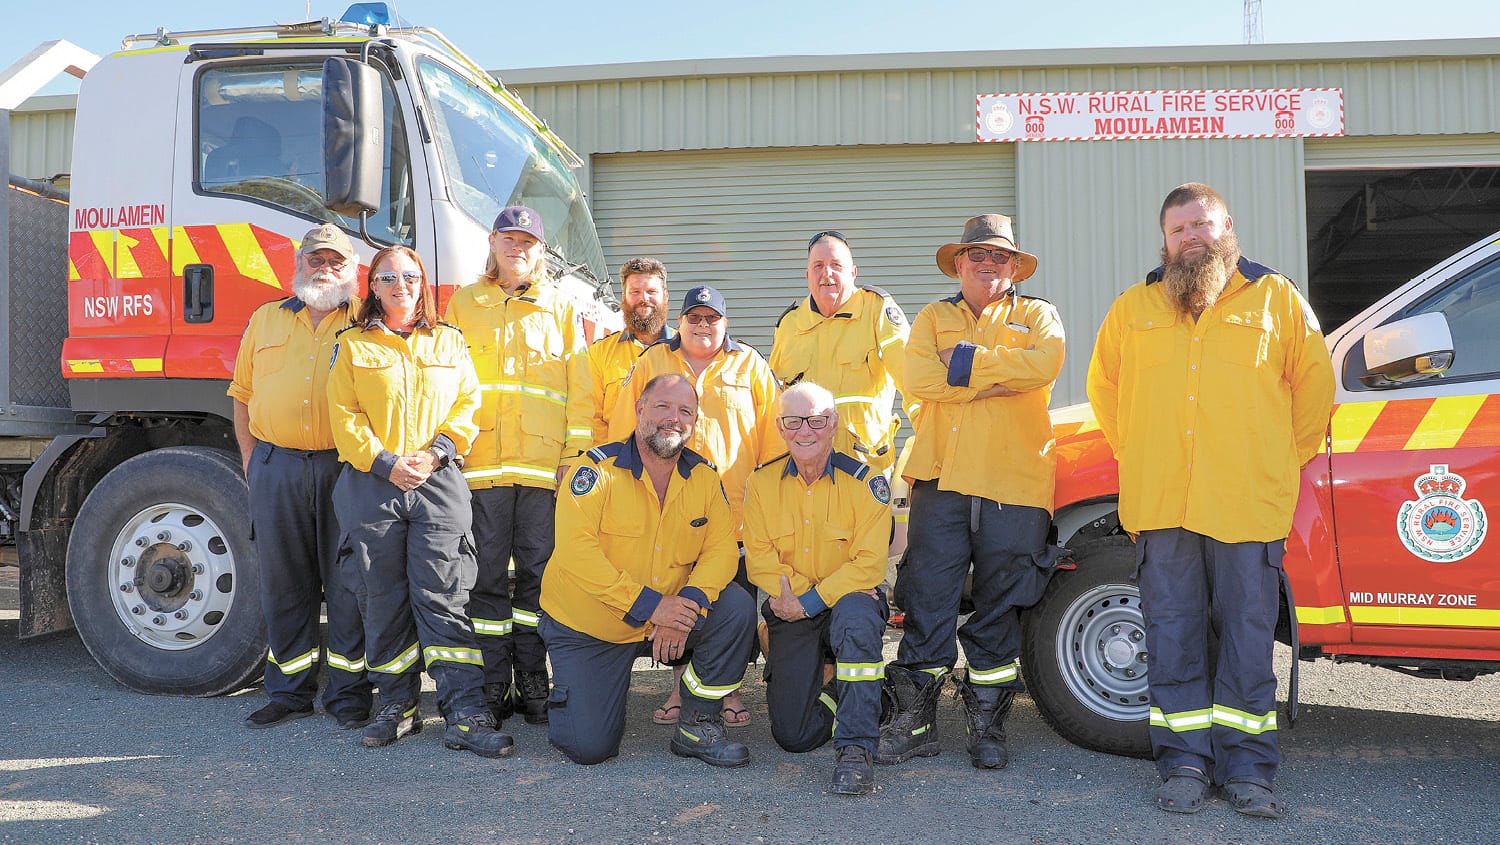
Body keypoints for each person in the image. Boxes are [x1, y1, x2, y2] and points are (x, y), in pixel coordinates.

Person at [1086, 183, 1335, 819]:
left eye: (1201, 224)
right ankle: (1185, 764)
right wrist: (1141, 453)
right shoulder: (1132, 308)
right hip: (1163, 507)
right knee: (1173, 638)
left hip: (1246, 504)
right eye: (1178, 230)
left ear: (1227, 227)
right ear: (1164, 241)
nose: (1190, 237)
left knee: (1248, 639)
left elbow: (1314, 389)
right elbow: (1105, 392)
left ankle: (1248, 769)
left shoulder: (1277, 299)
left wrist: (1281, 460)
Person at [880, 214, 1067, 770]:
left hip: (1016, 481)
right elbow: (917, 381)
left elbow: (1047, 364)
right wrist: (1002, 380)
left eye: (999, 258)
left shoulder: (1039, 314)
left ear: (1014, 267)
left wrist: (960, 364)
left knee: (1001, 605)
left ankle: (989, 723)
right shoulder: (934, 316)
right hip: (941, 478)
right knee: (928, 600)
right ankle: (914, 721)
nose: (988, 265)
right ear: (959, 263)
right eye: (976, 256)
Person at [327, 245, 512, 758]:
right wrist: (386, 462)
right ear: (374, 287)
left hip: (438, 478)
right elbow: (343, 416)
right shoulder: (353, 344)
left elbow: (467, 403)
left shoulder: (449, 340)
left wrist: (435, 454)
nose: (400, 284)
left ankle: (466, 712)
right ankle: (397, 706)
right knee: (380, 597)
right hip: (372, 482)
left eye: (410, 276)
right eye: (388, 277)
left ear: (423, 283)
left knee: (446, 594)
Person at [540, 373, 755, 767]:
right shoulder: (595, 471)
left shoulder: (705, 477)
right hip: (593, 624)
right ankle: (574, 696)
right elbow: (576, 553)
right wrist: (652, 606)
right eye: (662, 407)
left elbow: (721, 550)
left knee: (736, 607)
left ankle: (697, 721)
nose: (673, 418)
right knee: (589, 749)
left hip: (669, 612)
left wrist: (687, 605)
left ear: (695, 421)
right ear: (640, 409)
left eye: (685, 411)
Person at [608, 285, 781, 727]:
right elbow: (623, 429)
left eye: (712, 318)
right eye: (694, 317)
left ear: (725, 324)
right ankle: (679, 689)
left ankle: (728, 691)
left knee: (731, 606)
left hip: (734, 516)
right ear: (679, 321)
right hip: (666, 510)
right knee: (678, 599)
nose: (703, 325)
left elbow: (774, 444)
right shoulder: (651, 361)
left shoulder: (751, 365)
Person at [444, 206, 588, 725]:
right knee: (482, 579)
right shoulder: (464, 304)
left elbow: (581, 392)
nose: (518, 248)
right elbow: (446, 381)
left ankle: (532, 677)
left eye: (528, 241)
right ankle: (491, 683)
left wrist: (573, 462)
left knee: (537, 580)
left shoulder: (561, 309)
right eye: (510, 239)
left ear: (541, 251)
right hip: (479, 468)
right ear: (493, 243)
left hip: (542, 473)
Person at [229, 223, 372, 730]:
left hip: (346, 468)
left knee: (349, 583)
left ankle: (350, 692)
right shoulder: (266, 319)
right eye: (316, 259)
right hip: (277, 467)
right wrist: (253, 464)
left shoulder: (367, 319)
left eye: (336, 261)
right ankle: (288, 691)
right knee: (284, 583)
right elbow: (241, 397)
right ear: (299, 264)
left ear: (353, 270)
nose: (325, 268)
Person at [744, 381, 891, 795]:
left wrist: (810, 599)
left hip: (845, 603)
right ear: (780, 426)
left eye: (817, 420)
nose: (804, 430)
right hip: (792, 607)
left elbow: (869, 564)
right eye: (793, 421)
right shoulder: (761, 484)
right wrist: (800, 603)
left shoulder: (866, 483)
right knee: (795, 736)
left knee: (857, 620)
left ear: (834, 424)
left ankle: (856, 750)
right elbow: (758, 560)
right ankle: (851, 694)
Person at [769, 231, 910, 474]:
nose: (827, 274)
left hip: (865, 463)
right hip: (804, 467)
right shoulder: (789, 325)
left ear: (853, 272)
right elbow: (774, 401)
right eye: (818, 266)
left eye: (836, 265)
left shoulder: (877, 311)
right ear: (807, 275)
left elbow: (913, 380)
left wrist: (928, 442)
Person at [565, 257, 673, 449]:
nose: (644, 299)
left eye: (651, 292)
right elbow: (592, 417)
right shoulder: (600, 353)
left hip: (675, 469)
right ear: (623, 298)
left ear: (666, 297)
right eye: (635, 292)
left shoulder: (685, 350)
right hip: (618, 468)